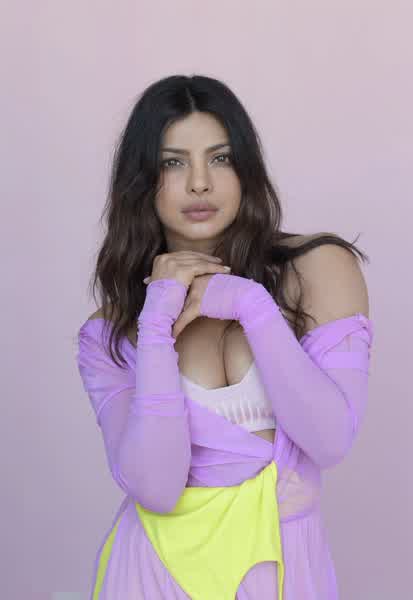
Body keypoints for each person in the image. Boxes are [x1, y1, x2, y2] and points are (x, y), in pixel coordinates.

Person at [76, 74, 373, 599]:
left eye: (221, 158)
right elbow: (157, 488)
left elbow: (329, 441)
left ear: (246, 169)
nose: (199, 183)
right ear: (142, 181)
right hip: (153, 576)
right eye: (172, 163)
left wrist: (250, 306)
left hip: (284, 573)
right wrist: (155, 325)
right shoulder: (112, 329)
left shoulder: (317, 269)